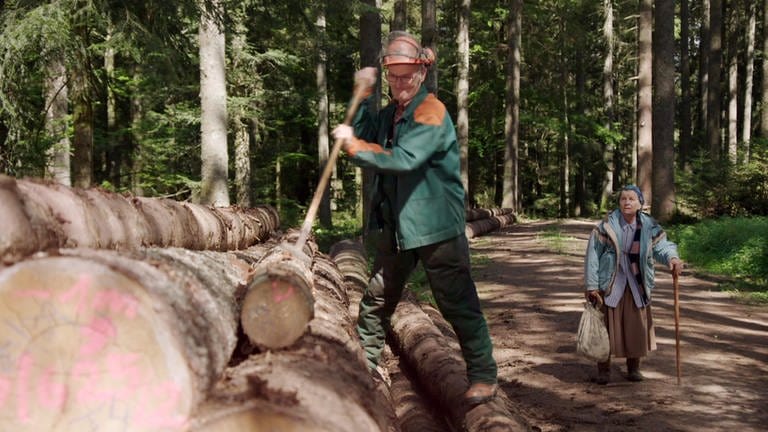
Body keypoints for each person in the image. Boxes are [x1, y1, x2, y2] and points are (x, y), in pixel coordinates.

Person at [331, 31, 498, 406]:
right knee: (376, 299)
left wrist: (354, 146)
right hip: (398, 229)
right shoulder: (392, 114)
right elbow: (361, 131)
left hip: (436, 227)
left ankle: (484, 376)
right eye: (394, 75)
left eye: (407, 75)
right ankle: (365, 368)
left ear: (421, 74)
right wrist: (358, 98)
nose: (400, 82)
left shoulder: (431, 112)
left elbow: (404, 160)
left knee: (457, 302)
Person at [583, 185, 683, 384]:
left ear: (640, 204)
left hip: (637, 282)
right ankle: (603, 370)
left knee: (637, 326)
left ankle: (633, 367)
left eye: (631, 199)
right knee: (607, 328)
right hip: (611, 282)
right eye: (623, 199)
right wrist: (592, 285)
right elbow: (593, 255)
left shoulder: (648, 226)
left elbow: (663, 246)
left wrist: (672, 258)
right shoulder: (606, 225)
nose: (627, 202)